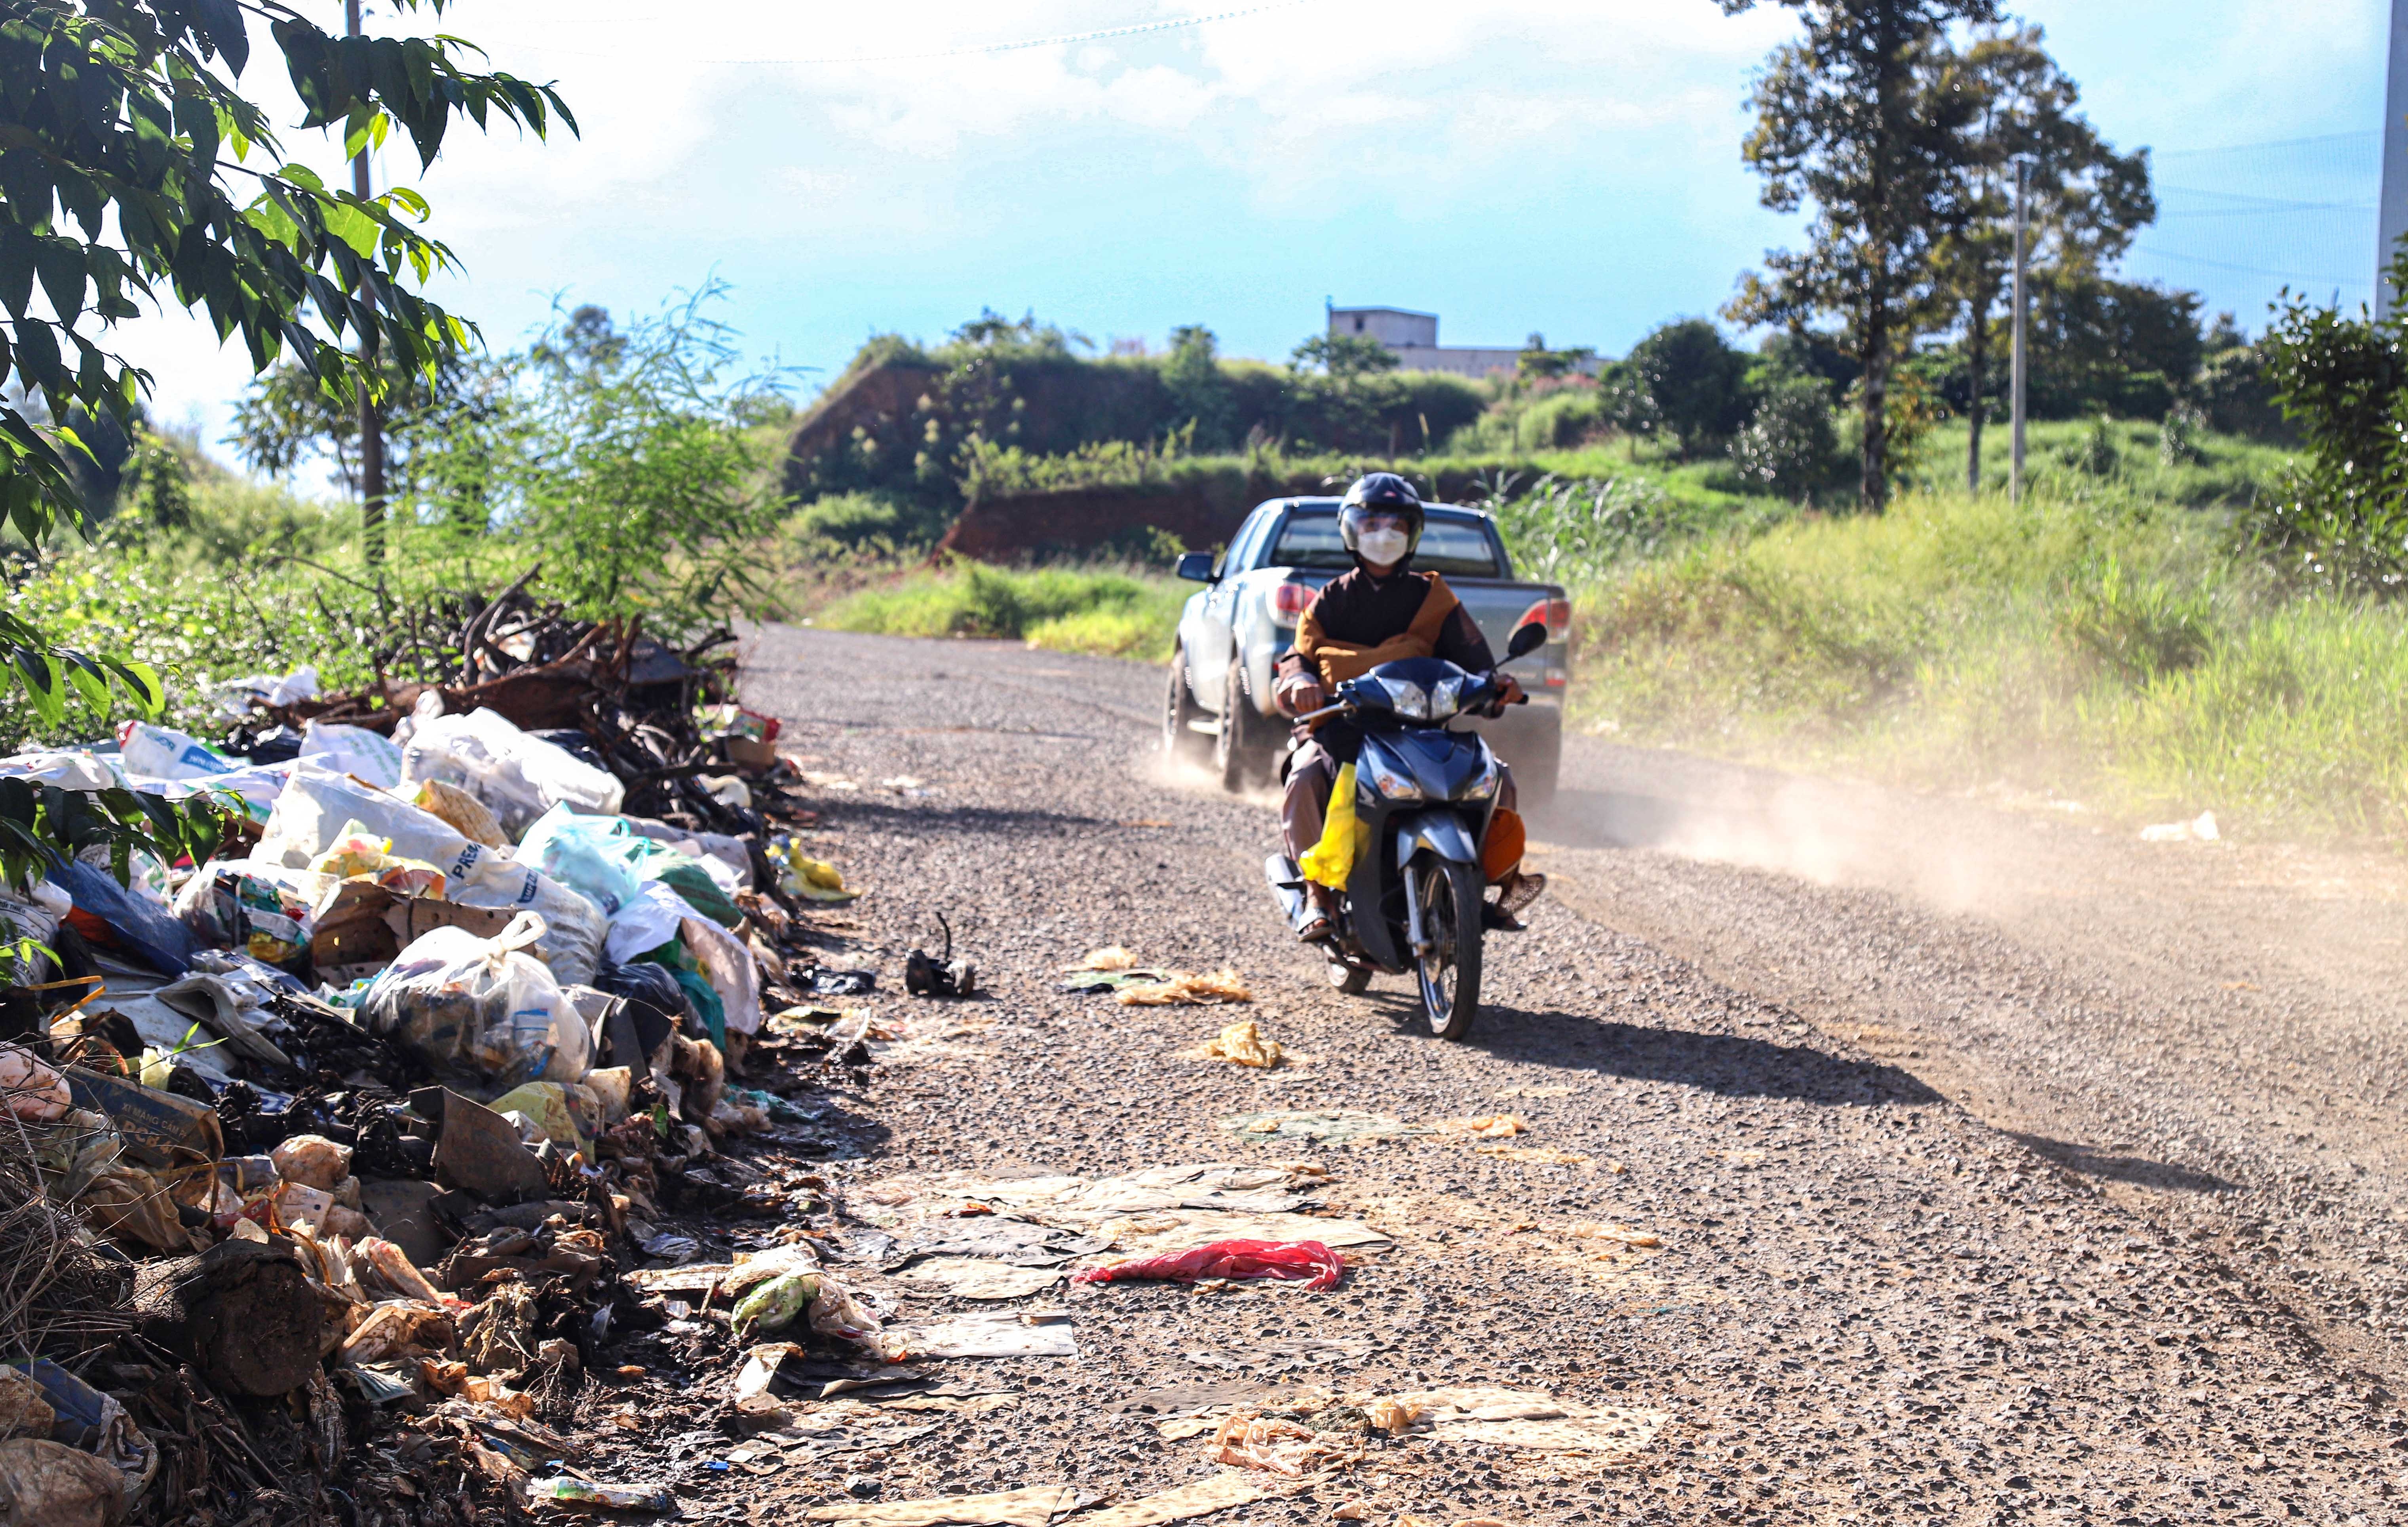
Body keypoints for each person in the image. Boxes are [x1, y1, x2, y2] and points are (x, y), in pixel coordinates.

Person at [1271, 473, 1547, 942]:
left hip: (1422, 730)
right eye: (1372, 522)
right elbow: (1298, 655)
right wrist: (1299, 682)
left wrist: (1495, 686)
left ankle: (1495, 879)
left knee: (1497, 776)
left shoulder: (1433, 597)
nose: (1384, 535)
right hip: (1344, 730)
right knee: (1304, 777)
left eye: (1397, 525)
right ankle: (1316, 895)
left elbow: (1475, 660)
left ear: (1413, 534)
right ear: (1351, 532)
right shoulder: (1330, 600)